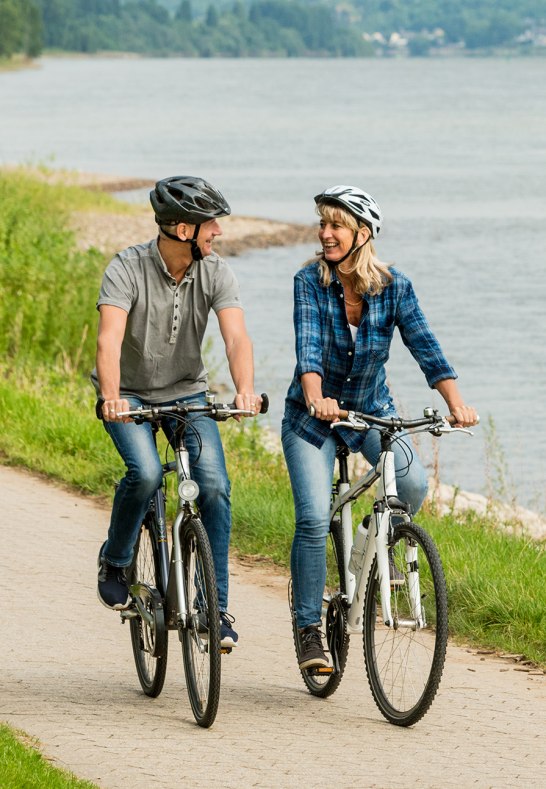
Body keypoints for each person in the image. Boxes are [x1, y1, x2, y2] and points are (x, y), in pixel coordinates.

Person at [282, 184, 478, 670]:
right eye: (322, 224)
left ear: (362, 234)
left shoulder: (395, 286)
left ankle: (377, 534)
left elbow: (426, 348)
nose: (325, 234)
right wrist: (315, 396)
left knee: (411, 483)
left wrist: (457, 404)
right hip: (313, 418)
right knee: (312, 517)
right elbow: (308, 348)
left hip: (371, 410)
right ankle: (309, 629)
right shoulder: (309, 281)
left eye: (336, 226)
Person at [91, 175, 262, 649]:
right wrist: (111, 397)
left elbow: (236, 337)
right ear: (184, 229)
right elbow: (108, 340)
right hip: (129, 394)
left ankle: (214, 609)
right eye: (212, 225)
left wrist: (245, 390)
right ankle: (119, 558)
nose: (219, 233)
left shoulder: (215, 272)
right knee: (144, 474)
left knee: (213, 486)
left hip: (187, 394)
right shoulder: (126, 268)